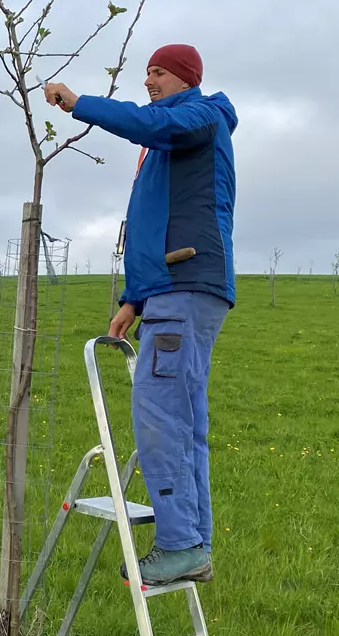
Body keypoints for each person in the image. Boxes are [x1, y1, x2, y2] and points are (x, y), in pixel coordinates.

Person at [42, 44, 238, 585]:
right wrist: (135, 299)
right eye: (146, 72)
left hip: (186, 285)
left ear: (184, 77)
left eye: (157, 72)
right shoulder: (172, 139)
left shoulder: (202, 115)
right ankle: (192, 543)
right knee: (184, 421)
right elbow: (157, 226)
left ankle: (179, 543)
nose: (148, 80)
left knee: (160, 417)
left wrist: (80, 102)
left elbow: (147, 124)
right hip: (172, 289)